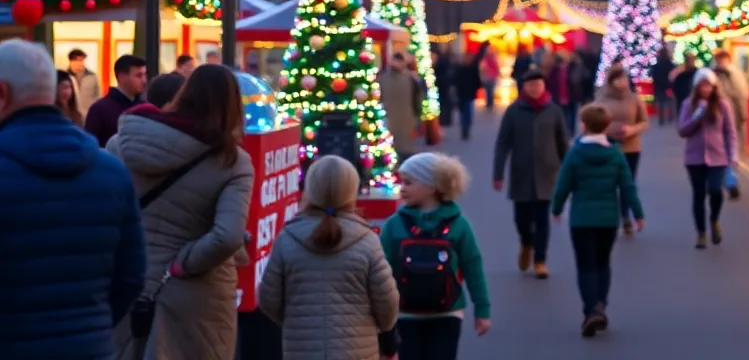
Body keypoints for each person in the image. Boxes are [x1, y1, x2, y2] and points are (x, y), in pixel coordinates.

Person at [0, 39, 145, 360]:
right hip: (90, 346)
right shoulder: (111, 172)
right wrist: (91, 326)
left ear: (3, 93)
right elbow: (132, 276)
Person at [108, 64, 255, 360]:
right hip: (196, 292)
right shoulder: (232, 161)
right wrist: (184, 263)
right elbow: (227, 236)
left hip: (128, 276)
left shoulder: (123, 143)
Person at [258, 155, 400, 360]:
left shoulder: (287, 239)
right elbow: (387, 306)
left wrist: (296, 319)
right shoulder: (367, 241)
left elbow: (269, 300)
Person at [381, 153, 491, 360]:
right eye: (401, 182)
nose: (402, 188)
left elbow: (472, 266)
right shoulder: (393, 225)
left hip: (445, 315)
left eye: (409, 182)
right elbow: (381, 272)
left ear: (432, 187)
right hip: (407, 315)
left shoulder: (459, 225)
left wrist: (482, 309)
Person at [551, 103, 645, 338]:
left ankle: (590, 309)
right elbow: (627, 186)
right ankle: (601, 304)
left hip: (581, 219)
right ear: (605, 126)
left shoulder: (575, 153)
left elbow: (564, 184)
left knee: (586, 266)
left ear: (583, 125)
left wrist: (556, 207)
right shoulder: (615, 154)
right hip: (608, 219)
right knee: (603, 263)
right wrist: (638, 213)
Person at [493, 68, 570, 279]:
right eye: (531, 85)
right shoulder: (514, 111)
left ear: (544, 87)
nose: (535, 89)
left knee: (543, 217)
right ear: (524, 88)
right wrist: (498, 173)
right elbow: (503, 143)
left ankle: (540, 260)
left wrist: (570, 172)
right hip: (522, 173)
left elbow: (563, 143)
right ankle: (526, 242)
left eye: (538, 85)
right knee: (521, 218)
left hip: (548, 173)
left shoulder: (554, 111)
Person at [678, 68, 737, 249]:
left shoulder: (722, 105)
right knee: (698, 195)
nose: (705, 89)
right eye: (702, 85)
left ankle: (714, 220)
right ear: (696, 86)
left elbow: (730, 132)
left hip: (718, 157)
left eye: (708, 85)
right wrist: (697, 115)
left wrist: (732, 154)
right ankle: (701, 233)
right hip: (694, 159)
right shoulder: (689, 104)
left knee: (715, 191)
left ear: (714, 87)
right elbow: (682, 130)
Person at [596, 66, 649, 236]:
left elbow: (644, 121)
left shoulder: (634, 99)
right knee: (611, 182)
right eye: (619, 79)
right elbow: (594, 121)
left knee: (628, 183)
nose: (623, 82)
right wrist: (612, 129)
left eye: (624, 79)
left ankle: (626, 215)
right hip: (610, 146)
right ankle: (612, 215)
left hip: (631, 147)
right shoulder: (602, 99)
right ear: (611, 81)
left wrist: (632, 130)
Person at [84, 53, 147, 148]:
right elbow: (90, 146)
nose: (144, 80)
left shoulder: (146, 107)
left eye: (144, 75)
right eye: (138, 76)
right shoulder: (99, 109)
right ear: (122, 77)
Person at [713, 49, 749, 199]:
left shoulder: (733, 74)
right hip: (721, 120)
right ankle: (729, 181)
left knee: (730, 154)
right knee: (728, 154)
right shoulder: (715, 75)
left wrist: (743, 115)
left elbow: (741, 96)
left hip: (730, 120)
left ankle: (730, 181)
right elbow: (742, 96)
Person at [381, 52, 423, 162]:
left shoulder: (412, 79)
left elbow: (417, 100)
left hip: (406, 118)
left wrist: (417, 118)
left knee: (404, 148)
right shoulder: (382, 79)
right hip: (389, 118)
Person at [546, 50, 581, 136]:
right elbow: (550, 83)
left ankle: (570, 132)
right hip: (559, 96)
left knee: (571, 115)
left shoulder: (573, 68)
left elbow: (577, 81)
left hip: (571, 96)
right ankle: (563, 132)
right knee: (562, 115)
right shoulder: (554, 70)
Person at [455, 45, 486, 139]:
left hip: (468, 93)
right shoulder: (460, 68)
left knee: (467, 111)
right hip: (462, 93)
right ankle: (464, 127)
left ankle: (466, 128)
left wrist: (479, 87)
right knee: (464, 111)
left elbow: (476, 79)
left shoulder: (471, 67)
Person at [66, 47, 100, 113]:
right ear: (71, 61)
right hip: (70, 116)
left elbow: (98, 97)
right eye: (77, 60)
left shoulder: (92, 77)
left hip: (88, 115)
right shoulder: (65, 77)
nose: (81, 63)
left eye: (82, 60)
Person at [650, 47, 676, 125]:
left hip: (659, 87)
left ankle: (662, 119)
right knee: (670, 102)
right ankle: (670, 117)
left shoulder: (656, 66)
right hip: (668, 86)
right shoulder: (671, 65)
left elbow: (654, 76)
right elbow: (673, 76)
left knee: (660, 103)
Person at [670, 51, 699, 117]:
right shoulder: (680, 73)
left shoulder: (698, 73)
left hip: (695, 101)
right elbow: (675, 86)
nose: (690, 62)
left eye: (691, 60)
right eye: (689, 60)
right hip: (682, 101)